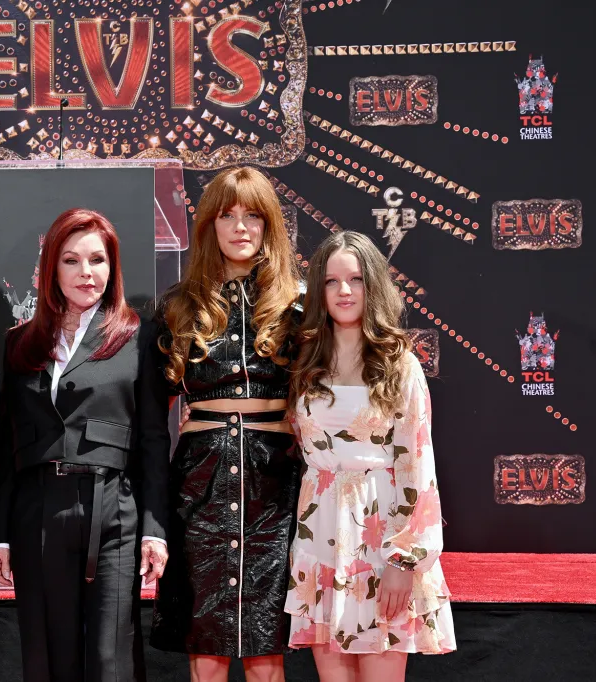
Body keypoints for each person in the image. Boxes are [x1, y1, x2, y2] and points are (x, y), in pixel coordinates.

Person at [0, 208, 171, 682]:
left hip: (114, 510)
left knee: (111, 658)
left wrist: (154, 527)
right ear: (51, 268)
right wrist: (1, 533)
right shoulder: (18, 344)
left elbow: (153, 440)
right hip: (37, 512)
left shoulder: (139, 336)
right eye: (71, 260)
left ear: (112, 268)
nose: (86, 273)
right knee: (48, 657)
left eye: (97, 260)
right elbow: (6, 446)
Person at [150, 167, 304, 682]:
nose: (240, 227)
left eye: (253, 216)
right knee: (207, 647)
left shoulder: (299, 309)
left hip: (276, 483)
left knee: (266, 650)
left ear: (270, 226)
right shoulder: (178, 309)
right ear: (208, 226)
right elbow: (148, 417)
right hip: (201, 482)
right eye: (227, 215)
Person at [286, 231, 456, 681]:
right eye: (332, 281)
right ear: (318, 289)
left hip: (382, 540)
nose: (344, 291)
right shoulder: (305, 361)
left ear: (374, 285)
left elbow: (418, 468)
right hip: (320, 533)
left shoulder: (400, 365)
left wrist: (405, 562)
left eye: (357, 279)